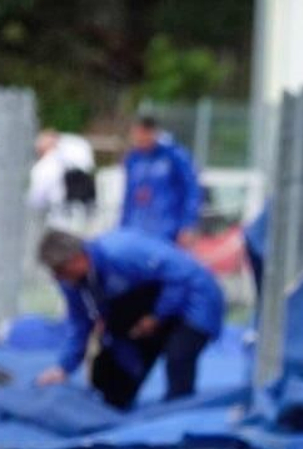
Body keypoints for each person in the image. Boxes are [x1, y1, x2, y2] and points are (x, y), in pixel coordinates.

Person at [34, 227, 224, 410]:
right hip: (148, 307)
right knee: (109, 380)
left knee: (179, 357)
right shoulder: (72, 282)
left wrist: (157, 316)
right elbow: (79, 323)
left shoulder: (122, 251)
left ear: (76, 259)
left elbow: (182, 275)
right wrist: (63, 368)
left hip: (194, 299)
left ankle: (180, 412)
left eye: (60, 270)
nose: (57, 277)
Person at [119, 113, 201, 247]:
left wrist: (188, 224)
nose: (137, 139)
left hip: (167, 229)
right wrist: (123, 226)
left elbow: (192, 191)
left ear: (151, 133)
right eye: (135, 135)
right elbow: (129, 196)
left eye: (141, 135)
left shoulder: (175, 156)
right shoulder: (133, 159)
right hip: (137, 228)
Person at [28, 129, 97, 226]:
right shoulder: (76, 148)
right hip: (80, 211)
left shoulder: (45, 166)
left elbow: (36, 198)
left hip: (61, 214)